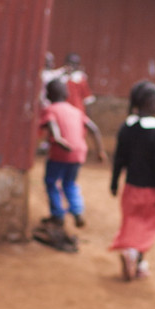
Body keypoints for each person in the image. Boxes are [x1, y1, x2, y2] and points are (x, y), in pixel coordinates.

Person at [33, 78, 107, 253]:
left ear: (49, 96)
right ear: (66, 94)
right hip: (79, 152)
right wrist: (100, 151)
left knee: (51, 182)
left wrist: (58, 139)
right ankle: (77, 210)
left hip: (61, 151)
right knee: (70, 183)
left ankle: (57, 214)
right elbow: (94, 129)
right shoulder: (76, 110)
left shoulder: (50, 109)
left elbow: (51, 124)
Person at [109, 81, 155, 280]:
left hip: (130, 188)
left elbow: (119, 158)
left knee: (131, 223)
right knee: (146, 226)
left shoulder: (127, 128)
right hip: (151, 191)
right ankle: (138, 259)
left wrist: (114, 182)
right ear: (150, 103)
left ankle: (131, 253)